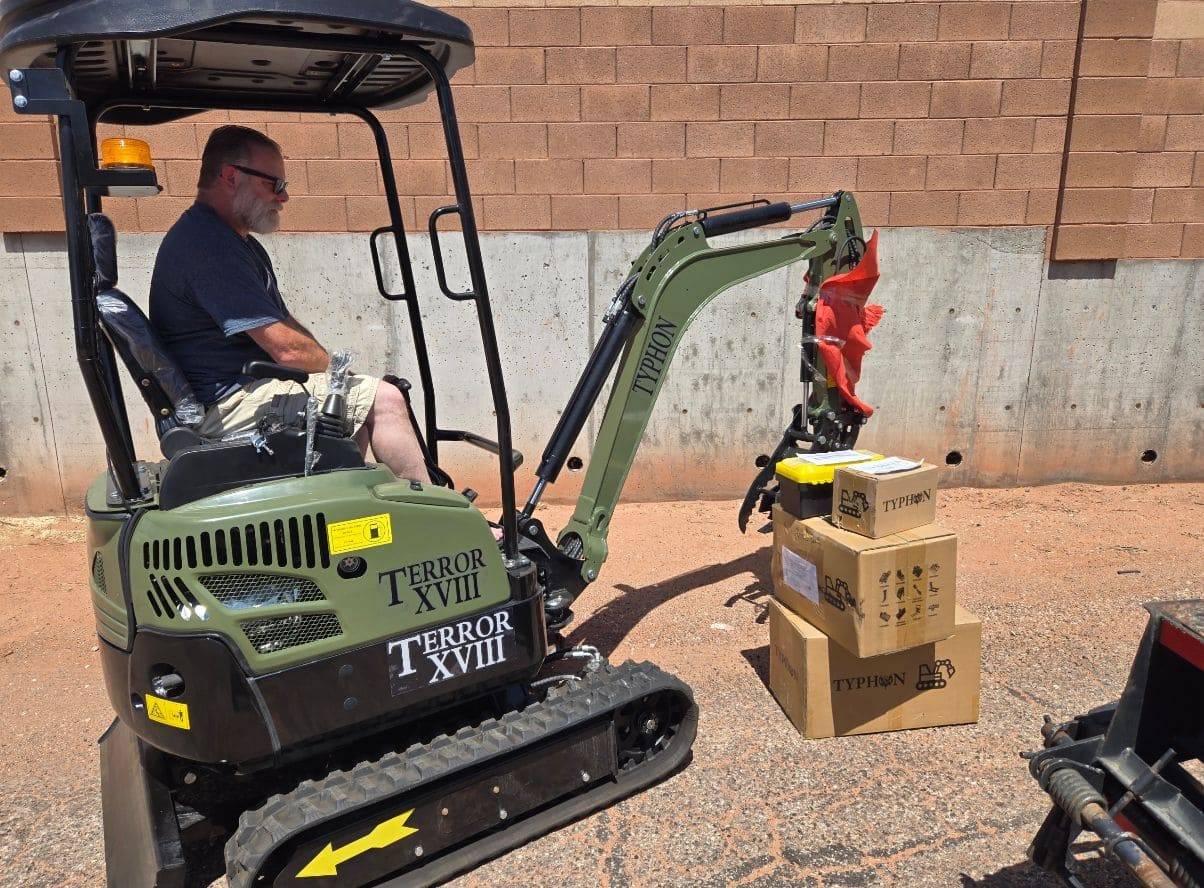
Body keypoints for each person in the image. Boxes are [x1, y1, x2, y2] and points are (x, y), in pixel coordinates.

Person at [149, 125, 430, 483]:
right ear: (231, 176)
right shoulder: (207, 246)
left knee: (350, 405)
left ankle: (341, 517)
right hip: (224, 407)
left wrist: (336, 376)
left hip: (240, 391)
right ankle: (444, 522)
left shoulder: (234, 242)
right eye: (274, 184)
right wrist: (334, 371)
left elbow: (283, 322)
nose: (283, 198)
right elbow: (289, 351)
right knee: (384, 400)